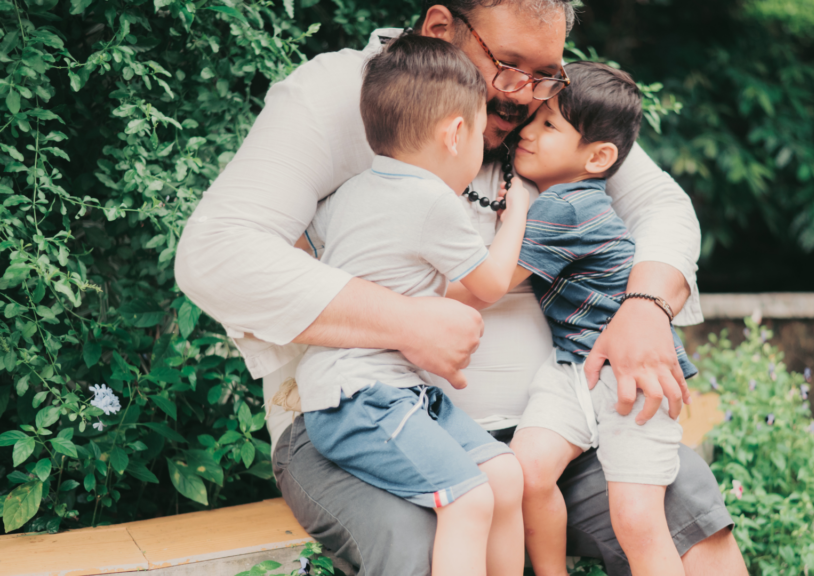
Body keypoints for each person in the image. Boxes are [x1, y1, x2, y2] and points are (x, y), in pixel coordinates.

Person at [174, 1, 747, 574]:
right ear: (441, 28)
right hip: (370, 417)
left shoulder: (543, 99)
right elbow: (216, 252)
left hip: (553, 431)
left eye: (544, 72)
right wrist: (406, 322)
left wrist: (645, 307)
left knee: (689, 517)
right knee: (430, 543)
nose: (524, 96)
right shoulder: (340, 96)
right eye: (508, 64)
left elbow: (661, 206)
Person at [449, 61, 696, 576]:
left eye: (548, 126)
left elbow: (480, 287)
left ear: (599, 157)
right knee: (530, 471)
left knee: (636, 518)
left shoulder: (565, 209)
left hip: (628, 373)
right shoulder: (559, 199)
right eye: (531, 120)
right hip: (574, 368)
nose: (526, 132)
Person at [294, 34, 529, 576]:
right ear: (455, 133)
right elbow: (492, 283)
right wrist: (517, 210)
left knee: (504, 473)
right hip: (360, 398)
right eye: (480, 135)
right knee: (470, 499)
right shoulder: (432, 202)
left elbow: (306, 245)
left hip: (394, 392)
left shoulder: (353, 189)